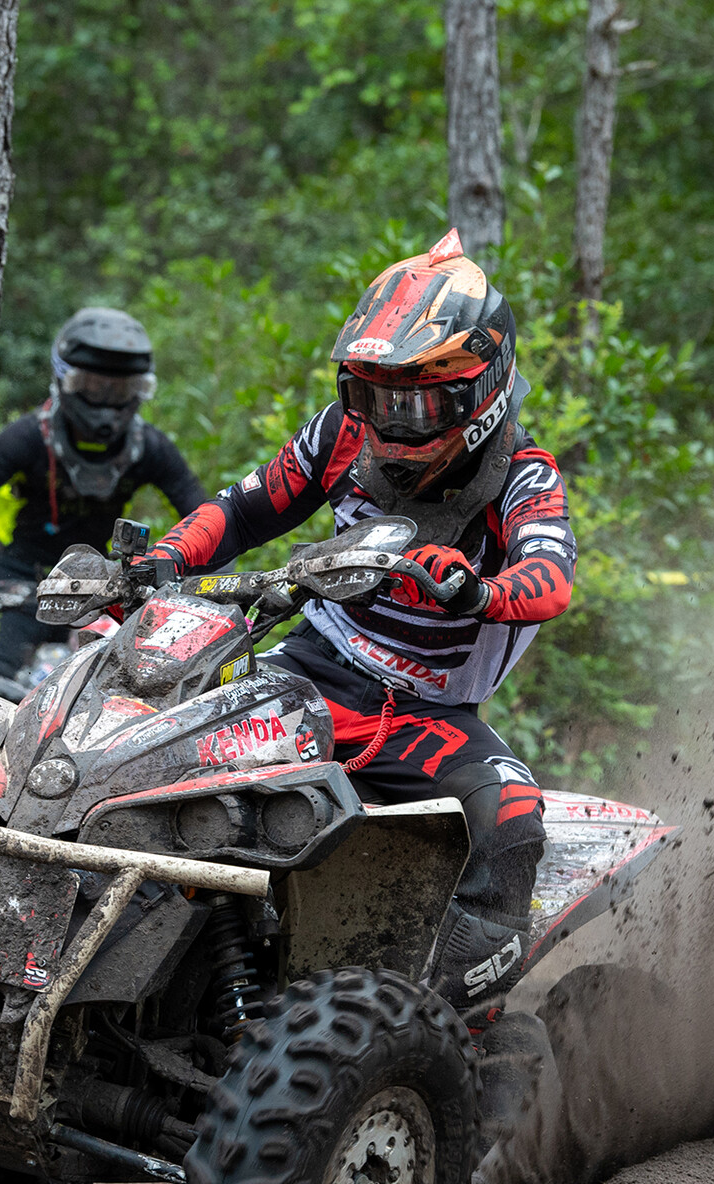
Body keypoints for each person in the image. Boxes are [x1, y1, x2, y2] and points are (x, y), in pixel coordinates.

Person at [149, 229, 572, 1013]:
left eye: (413, 400)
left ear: (478, 392)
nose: (391, 421)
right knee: (156, 746)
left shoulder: (523, 472)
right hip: (310, 671)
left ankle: (431, 1017)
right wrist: (166, 560)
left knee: (512, 816)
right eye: (372, 395)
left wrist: (479, 591)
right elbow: (242, 510)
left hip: (424, 714)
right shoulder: (342, 435)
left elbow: (551, 578)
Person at [0, 307, 206, 696]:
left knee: (129, 690)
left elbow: (208, 520)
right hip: (15, 581)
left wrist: (197, 588)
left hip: (102, 589)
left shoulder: (149, 448)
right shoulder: (25, 439)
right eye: (94, 387)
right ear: (65, 379)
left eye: (123, 390)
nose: (107, 403)